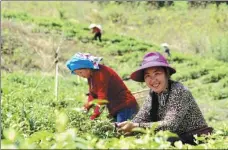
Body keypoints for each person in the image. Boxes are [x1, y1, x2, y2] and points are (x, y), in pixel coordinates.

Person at [117, 52, 213, 145]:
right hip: (177, 138)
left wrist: (135, 126)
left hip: (196, 138)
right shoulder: (152, 94)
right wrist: (124, 126)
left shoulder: (179, 91)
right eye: (148, 75)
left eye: (157, 73)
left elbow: (170, 125)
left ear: (166, 74)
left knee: (161, 139)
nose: (153, 79)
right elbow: (141, 118)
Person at [66, 52, 138, 122]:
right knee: (117, 131)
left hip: (125, 106)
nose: (80, 75)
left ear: (87, 67)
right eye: (77, 74)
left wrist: (94, 116)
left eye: (80, 72)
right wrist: (86, 107)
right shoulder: (91, 76)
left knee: (122, 131)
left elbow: (102, 99)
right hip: (115, 108)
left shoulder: (100, 73)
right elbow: (93, 95)